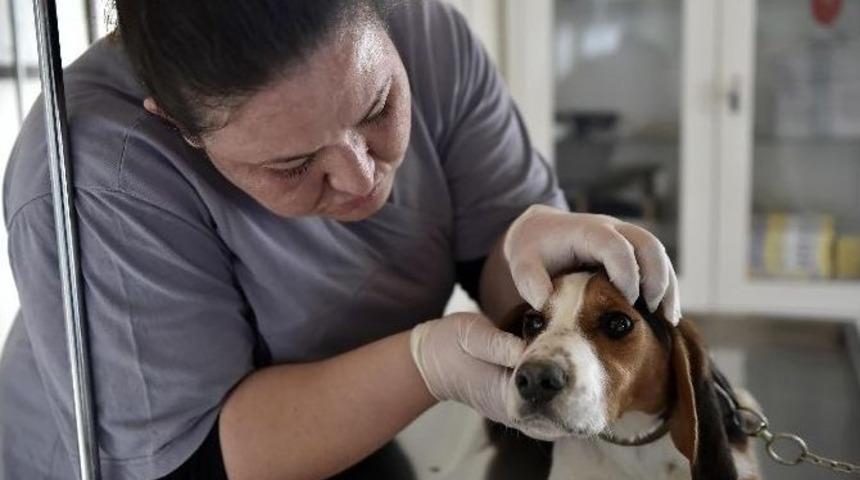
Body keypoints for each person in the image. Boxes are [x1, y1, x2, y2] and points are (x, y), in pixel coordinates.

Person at [0, 1, 679, 479]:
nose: (361, 178)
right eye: (292, 165)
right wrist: (423, 364)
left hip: (357, 445)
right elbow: (191, 459)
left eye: (378, 106)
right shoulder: (100, 175)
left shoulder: (432, 39)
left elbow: (507, 273)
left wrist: (538, 251)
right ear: (178, 125)